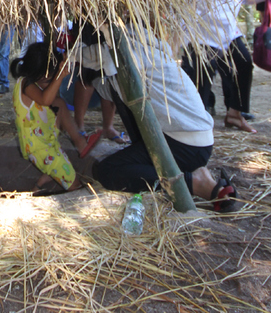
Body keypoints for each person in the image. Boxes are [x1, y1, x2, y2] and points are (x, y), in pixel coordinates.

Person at [91, 27, 237, 212]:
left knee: (108, 171)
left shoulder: (129, 51)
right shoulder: (153, 51)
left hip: (184, 145)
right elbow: (107, 88)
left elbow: (91, 58)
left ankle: (194, 183)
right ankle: (195, 172)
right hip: (197, 143)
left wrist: (66, 55)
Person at [181, 0, 271, 134]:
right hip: (201, 35)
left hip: (228, 34)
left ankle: (235, 114)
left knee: (244, 62)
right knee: (204, 69)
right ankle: (196, 121)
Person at [11, 40, 102, 194]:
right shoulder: (26, 85)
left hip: (46, 143)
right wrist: (59, 76)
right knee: (76, 186)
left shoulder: (31, 82)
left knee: (59, 103)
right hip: (39, 149)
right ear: (36, 74)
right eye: (48, 81)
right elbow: (45, 100)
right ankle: (79, 145)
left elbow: (52, 101)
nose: (51, 84)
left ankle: (37, 188)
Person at [67, 20, 129, 144]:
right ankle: (78, 125)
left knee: (110, 73)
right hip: (88, 18)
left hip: (111, 20)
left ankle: (108, 127)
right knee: (87, 73)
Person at [0, 24, 15, 94]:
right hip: (7, 21)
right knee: (3, 53)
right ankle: (3, 84)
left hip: (24, 19)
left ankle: (29, 82)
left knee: (27, 50)